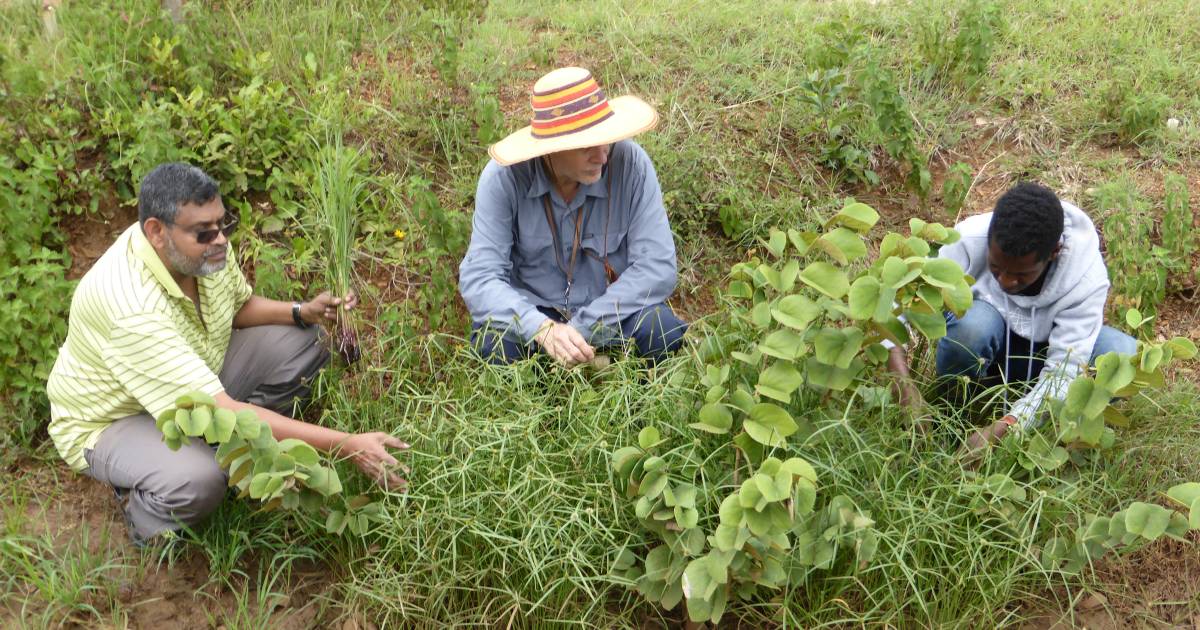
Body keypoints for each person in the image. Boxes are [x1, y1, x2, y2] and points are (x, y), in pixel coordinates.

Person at [46, 163, 408, 545]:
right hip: (114, 419)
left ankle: (227, 448)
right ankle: (147, 516)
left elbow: (238, 307)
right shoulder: (127, 304)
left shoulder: (203, 251)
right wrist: (346, 444)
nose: (220, 239)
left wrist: (302, 311)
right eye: (204, 232)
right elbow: (222, 409)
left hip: (195, 379)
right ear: (156, 231)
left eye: (224, 224)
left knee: (308, 339)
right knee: (197, 479)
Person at [459, 66, 687, 367]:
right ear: (550, 149)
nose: (602, 155)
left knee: (662, 331)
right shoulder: (504, 180)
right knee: (493, 346)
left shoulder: (631, 164)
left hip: (613, 313)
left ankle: (632, 402)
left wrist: (581, 329)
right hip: (537, 321)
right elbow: (481, 278)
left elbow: (657, 267)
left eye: (605, 138)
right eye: (586, 146)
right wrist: (542, 330)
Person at [888, 182, 1137, 451]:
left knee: (1121, 353)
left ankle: (1052, 429)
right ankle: (950, 415)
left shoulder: (1086, 278)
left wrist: (1006, 427)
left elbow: (1064, 372)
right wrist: (903, 387)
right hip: (989, 347)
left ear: (1054, 252)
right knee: (972, 327)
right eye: (996, 267)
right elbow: (896, 304)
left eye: (1021, 274)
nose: (1006, 281)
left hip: (1042, 359)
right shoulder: (971, 238)